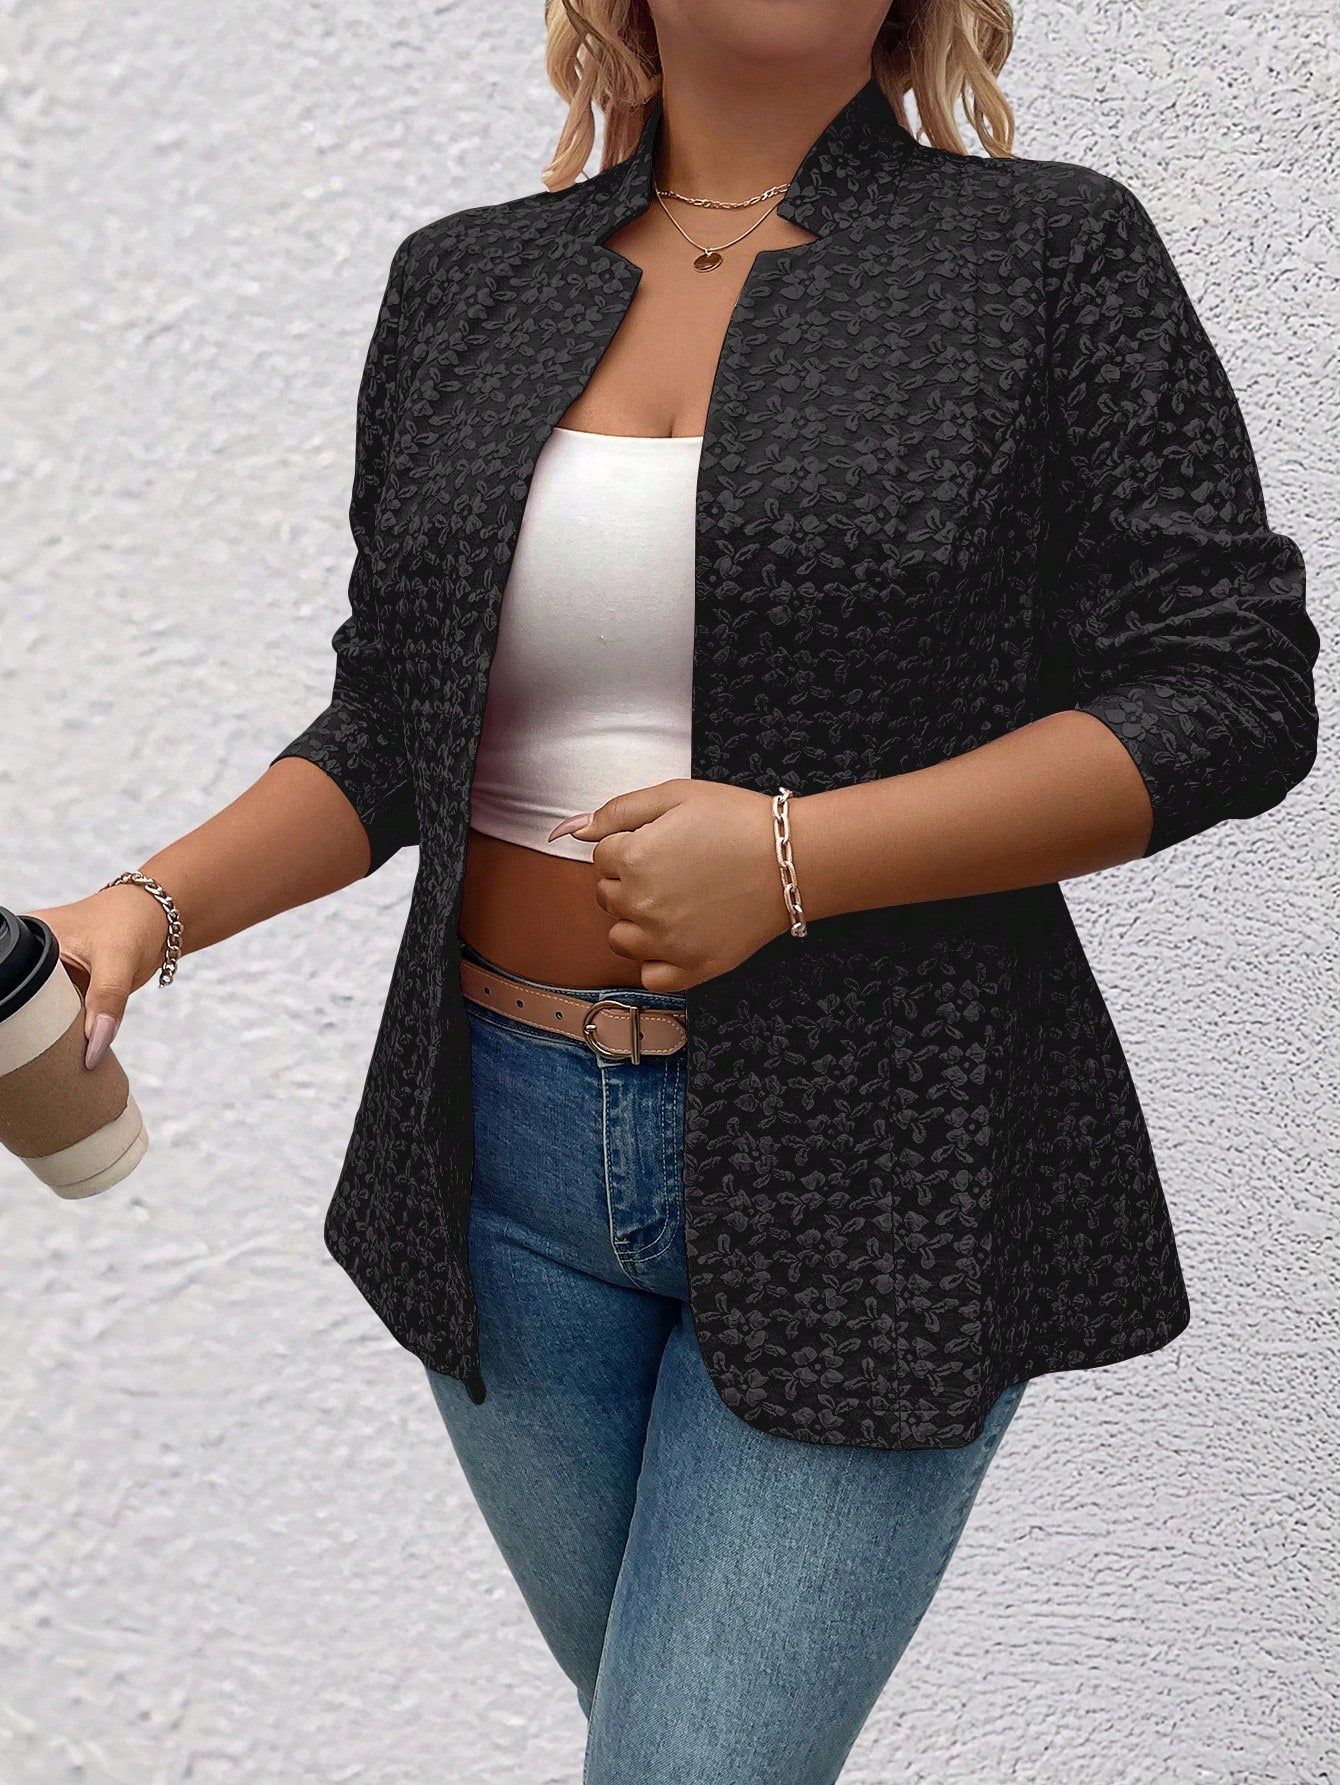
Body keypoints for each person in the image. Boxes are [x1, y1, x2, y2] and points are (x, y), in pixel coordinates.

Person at [32, 2, 1319, 1779]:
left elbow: (1231, 687)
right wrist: (145, 909)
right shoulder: (464, 285)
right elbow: (395, 721)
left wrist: (796, 859)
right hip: (501, 1168)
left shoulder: (1045, 256)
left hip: (884, 1155)